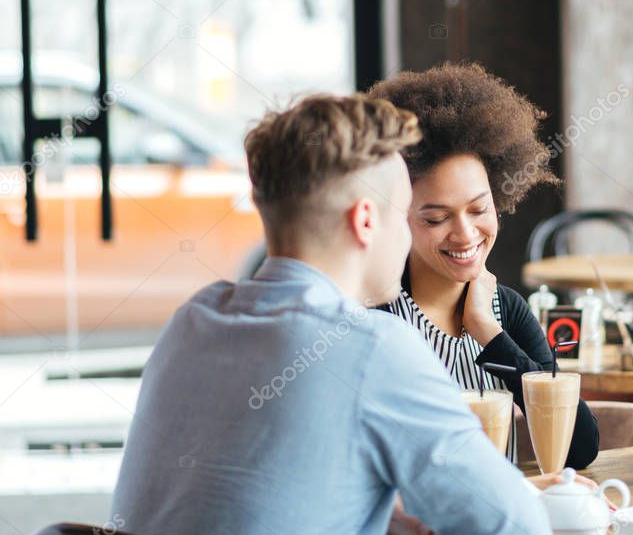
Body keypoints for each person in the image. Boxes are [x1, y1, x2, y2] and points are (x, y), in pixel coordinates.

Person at [110, 94, 552, 534]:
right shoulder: (372, 347)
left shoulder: (192, 321)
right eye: (403, 216)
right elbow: (515, 525)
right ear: (365, 221)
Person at [368, 62, 600, 469]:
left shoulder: (506, 312)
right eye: (436, 219)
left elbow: (579, 448)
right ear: (397, 215)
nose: (465, 234)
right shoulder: (379, 317)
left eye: (479, 209)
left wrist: (490, 335)